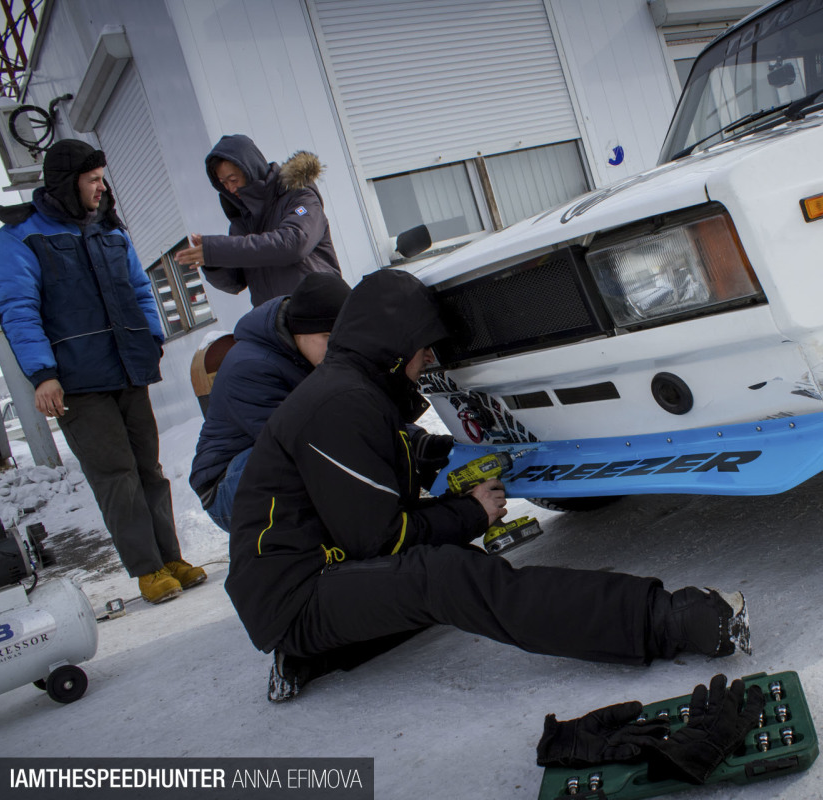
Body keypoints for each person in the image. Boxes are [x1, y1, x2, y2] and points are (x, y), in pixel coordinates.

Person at [225, 269, 751, 702]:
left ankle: (316, 653)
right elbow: (379, 540)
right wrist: (471, 514)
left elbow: (399, 455)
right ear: (392, 342)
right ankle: (666, 620)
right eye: (424, 347)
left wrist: (472, 461)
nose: (430, 359)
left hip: (317, 574)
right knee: (447, 579)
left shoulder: (354, 392)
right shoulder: (339, 403)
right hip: (296, 593)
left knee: (433, 581)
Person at [0, 139, 205, 605]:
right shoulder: (21, 238)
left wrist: (151, 338)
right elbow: (18, 309)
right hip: (76, 381)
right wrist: (42, 374)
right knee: (115, 475)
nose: (101, 187)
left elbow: (139, 286)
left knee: (148, 470)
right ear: (67, 184)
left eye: (101, 178)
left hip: (128, 368)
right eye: (92, 180)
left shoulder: (109, 229)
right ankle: (147, 569)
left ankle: (170, 557)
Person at [189, 272, 352, 533]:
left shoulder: (310, 355)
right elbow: (301, 441)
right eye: (326, 336)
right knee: (320, 458)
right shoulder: (250, 367)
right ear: (300, 330)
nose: (335, 347)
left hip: (267, 462)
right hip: (225, 487)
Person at [174, 134, 341, 307]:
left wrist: (217, 250)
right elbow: (234, 283)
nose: (230, 188)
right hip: (279, 322)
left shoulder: (300, 195)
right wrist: (211, 261)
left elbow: (293, 243)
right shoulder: (243, 220)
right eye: (223, 183)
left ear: (251, 169)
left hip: (320, 311)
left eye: (233, 179)